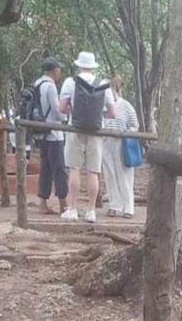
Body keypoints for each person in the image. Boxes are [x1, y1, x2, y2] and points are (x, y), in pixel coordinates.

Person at [58, 50, 117, 223]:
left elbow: (62, 108)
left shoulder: (70, 82)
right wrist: (99, 117)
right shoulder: (104, 85)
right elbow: (112, 112)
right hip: (97, 131)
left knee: (74, 169)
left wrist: (73, 111)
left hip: (75, 128)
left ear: (79, 65)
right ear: (93, 67)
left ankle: (73, 208)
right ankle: (91, 211)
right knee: (93, 171)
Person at [102, 76, 140, 218]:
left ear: (115, 88)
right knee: (110, 174)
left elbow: (135, 125)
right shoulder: (102, 106)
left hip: (121, 142)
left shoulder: (126, 106)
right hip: (106, 141)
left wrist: (128, 133)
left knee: (124, 175)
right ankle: (114, 205)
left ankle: (128, 207)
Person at [34, 57, 68, 216]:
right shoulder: (51, 86)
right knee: (59, 168)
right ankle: (63, 204)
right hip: (54, 133)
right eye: (59, 70)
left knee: (45, 168)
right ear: (54, 70)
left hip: (41, 132)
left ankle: (43, 203)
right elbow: (56, 109)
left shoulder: (37, 83)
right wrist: (65, 117)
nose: (60, 72)